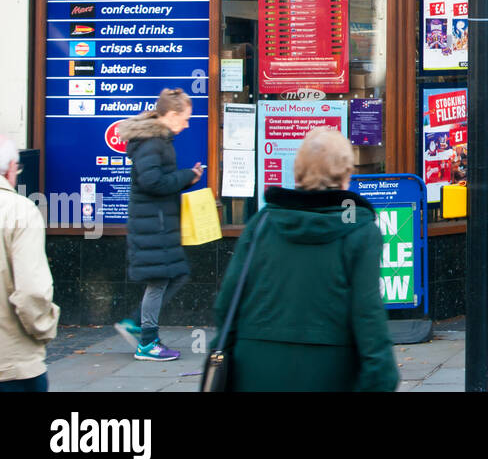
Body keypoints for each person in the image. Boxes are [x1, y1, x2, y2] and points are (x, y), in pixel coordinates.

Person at [213, 126, 398, 391]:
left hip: (254, 372)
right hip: (329, 374)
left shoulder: (262, 223)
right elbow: (368, 316)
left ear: (298, 171)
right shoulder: (359, 232)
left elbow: (226, 304)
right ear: (346, 175)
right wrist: (381, 377)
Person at [115, 89, 202, 361]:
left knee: (175, 274)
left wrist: (186, 178)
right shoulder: (154, 142)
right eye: (186, 118)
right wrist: (186, 176)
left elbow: (155, 179)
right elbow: (151, 182)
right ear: (173, 114)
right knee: (160, 280)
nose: (187, 124)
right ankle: (147, 343)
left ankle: (136, 323)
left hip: (157, 221)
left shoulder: (159, 140)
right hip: (153, 223)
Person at [0, 138, 59, 391]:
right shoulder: (19, 211)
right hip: (12, 363)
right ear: (11, 168)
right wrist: (45, 328)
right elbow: (31, 291)